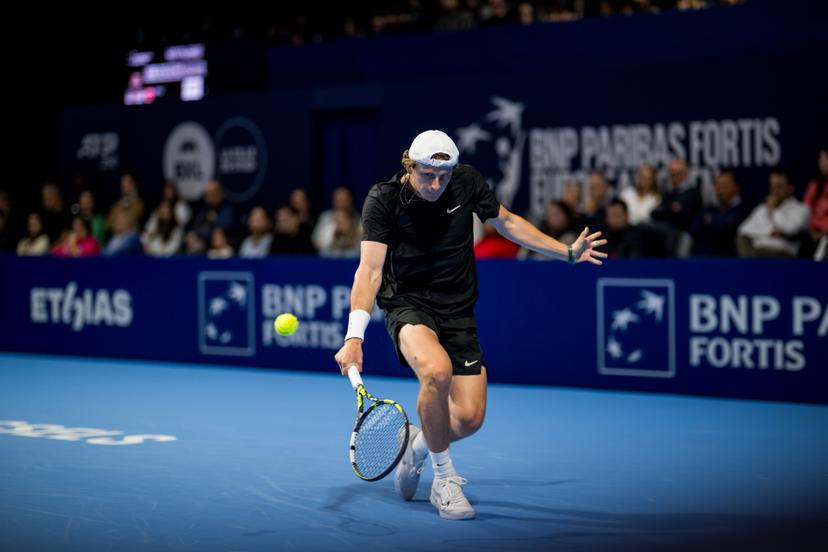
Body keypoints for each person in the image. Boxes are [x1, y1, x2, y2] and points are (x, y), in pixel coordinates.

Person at [334, 130, 606, 520]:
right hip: (407, 303)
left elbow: (507, 222)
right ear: (409, 165)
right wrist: (354, 336)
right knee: (436, 372)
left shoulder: (467, 182)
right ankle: (444, 481)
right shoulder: (384, 198)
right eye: (427, 175)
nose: (436, 184)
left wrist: (565, 252)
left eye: (444, 176)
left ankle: (416, 446)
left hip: (458, 309)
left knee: (468, 418)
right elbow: (370, 270)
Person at [737, 169, 810, 258]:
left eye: (779, 187)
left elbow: (789, 230)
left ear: (790, 189)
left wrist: (774, 210)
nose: (774, 191)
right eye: (772, 186)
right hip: (757, 254)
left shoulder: (801, 209)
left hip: (783, 255)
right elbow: (743, 231)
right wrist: (770, 232)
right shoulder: (762, 208)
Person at [688, 170, 749, 257]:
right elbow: (694, 231)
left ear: (736, 187)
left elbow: (725, 230)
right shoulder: (707, 210)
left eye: (724, 186)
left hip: (731, 261)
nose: (720, 190)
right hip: (701, 260)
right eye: (717, 185)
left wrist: (711, 223)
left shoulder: (744, 211)